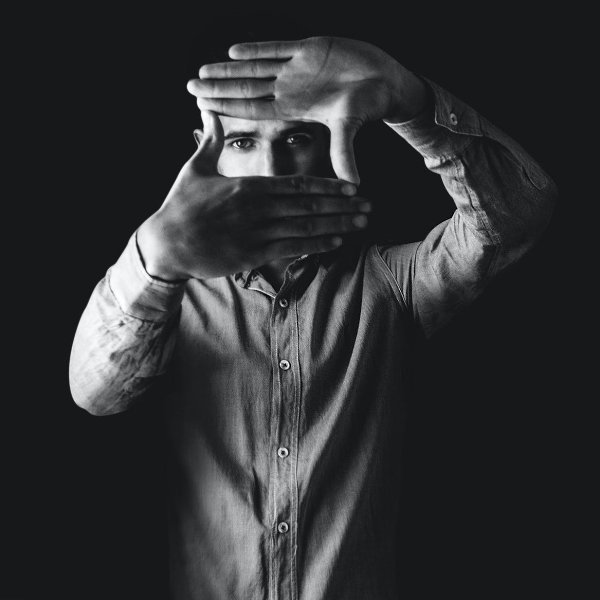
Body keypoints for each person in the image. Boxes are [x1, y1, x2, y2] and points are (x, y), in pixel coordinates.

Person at [69, 35, 557, 600]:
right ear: (204, 151)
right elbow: (95, 393)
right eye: (244, 141)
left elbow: (517, 216)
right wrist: (154, 259)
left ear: (333, 145)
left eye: (297, 138)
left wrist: (412, 101)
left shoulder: (389, 284)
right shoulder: (167, 298)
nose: (271, 169)